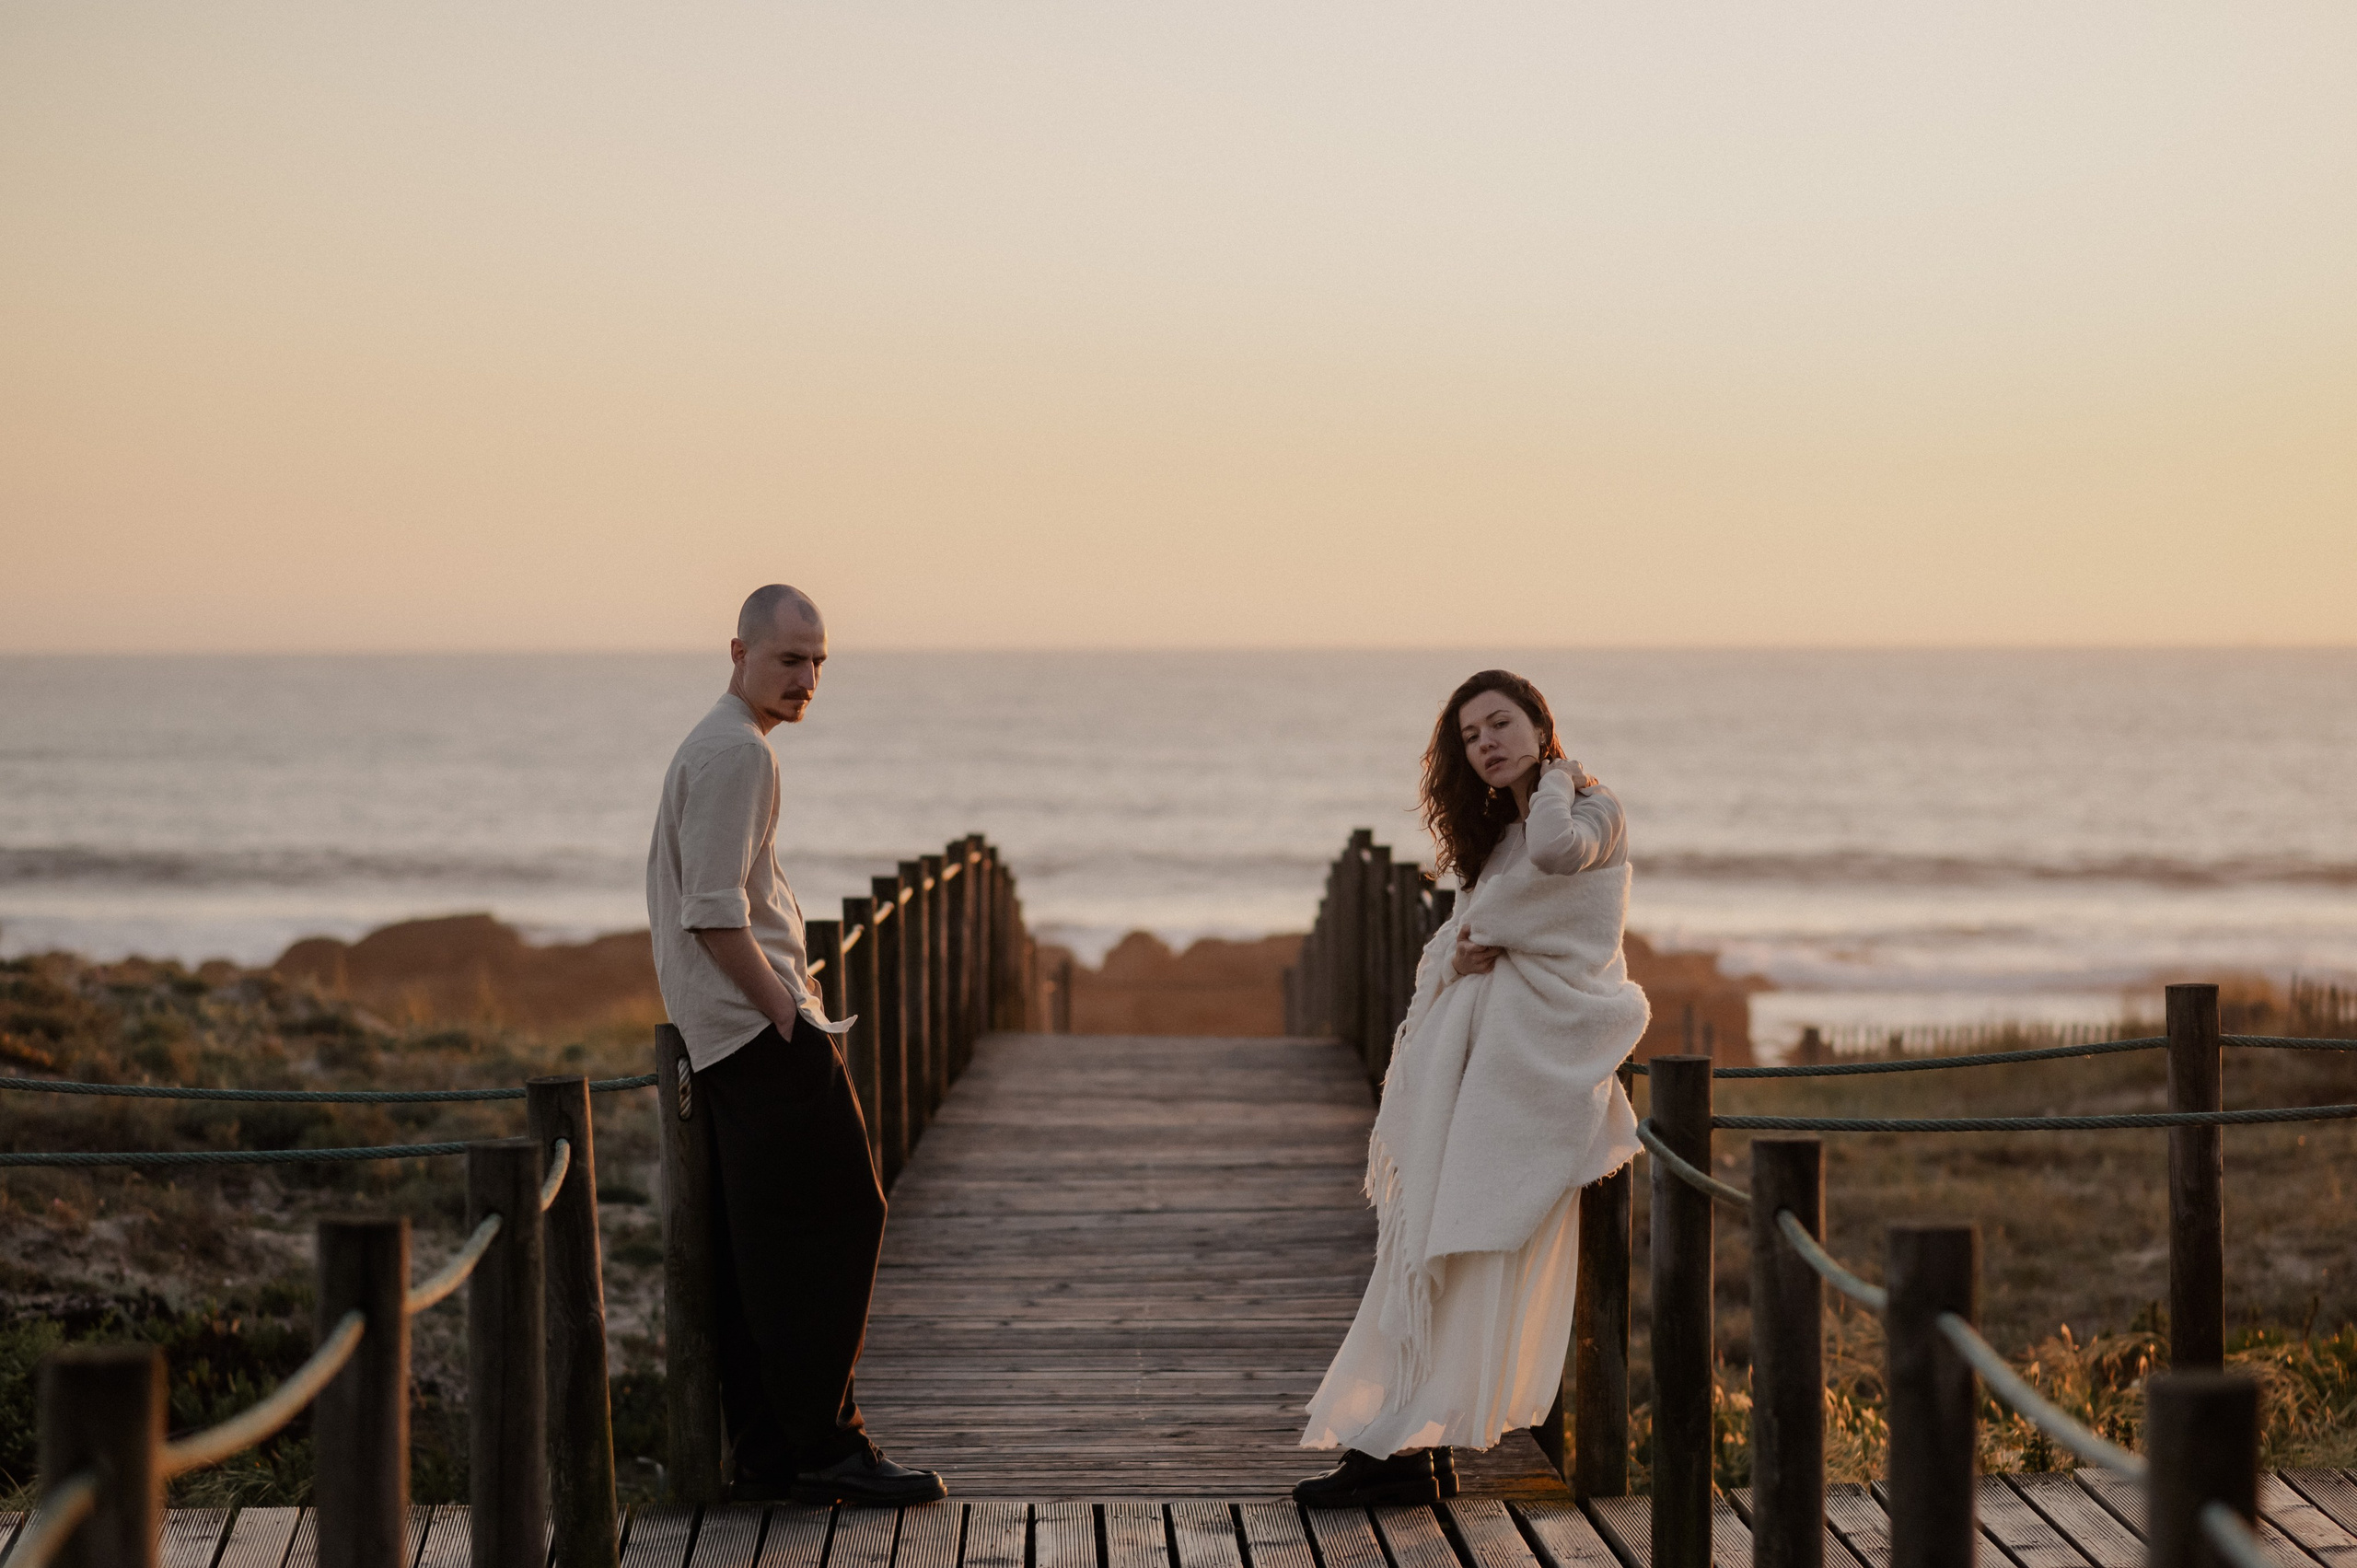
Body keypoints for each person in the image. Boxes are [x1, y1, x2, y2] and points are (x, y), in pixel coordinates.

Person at [1295, 668, 1649, 1504]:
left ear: (1540, 724)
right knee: (1429, 1253)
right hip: (1479, 1072)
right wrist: (1458, 956)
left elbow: (1561, 860)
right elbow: (1467, 934)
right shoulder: (1502, 836)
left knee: (1465, 1253)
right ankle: (1408, 1449)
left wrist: (1555, 778)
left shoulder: (1591, 808)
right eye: (1469, 736)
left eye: (1500, 724)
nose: (1486, 743)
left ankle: (1404, 1449)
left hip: (1527, 1074)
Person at [644, 584, 946, 1506]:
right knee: (842, 1221)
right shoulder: (739, 751)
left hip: (729, 1035)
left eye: (817, 661)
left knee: (762, 1249)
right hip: (757, 1034)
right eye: (788, 658)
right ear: (739, 652)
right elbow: (711, 912)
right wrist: (783, 1009)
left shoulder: (721, 742)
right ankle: (828, 1445)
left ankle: (772, 1456)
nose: (806, 677)